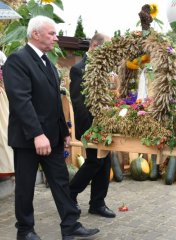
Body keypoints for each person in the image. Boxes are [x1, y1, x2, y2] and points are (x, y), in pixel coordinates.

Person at [2, 15, 99, 240]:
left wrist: (64, 132)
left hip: (52, 137)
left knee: (61, 182)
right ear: (35, 34)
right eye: (52, 33)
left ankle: (71, 225)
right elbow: (21, 101)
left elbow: (55, 102)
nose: (56, 38)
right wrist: (37, 134)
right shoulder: (18, 61)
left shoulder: (47, 62)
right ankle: (25, 231)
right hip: (29, 139)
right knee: (25, 187)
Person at [69, 33, 116, 218]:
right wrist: (89, 130)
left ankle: (97, 203)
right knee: (95, 161)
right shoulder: (78, 69)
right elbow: (78, 103)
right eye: (105, 50)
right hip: (89, 125)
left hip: (103, 124)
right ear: (95, 46)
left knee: (105, 162)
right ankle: (70, 193)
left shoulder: (102, 69)